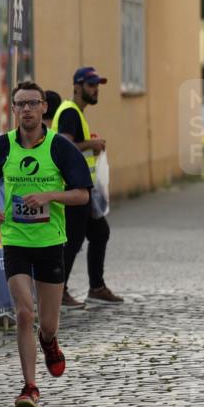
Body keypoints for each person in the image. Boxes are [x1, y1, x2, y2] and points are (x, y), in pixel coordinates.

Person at [0, 80, 92, 407]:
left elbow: (82, 194)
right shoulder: (1, 146)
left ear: (44, 107)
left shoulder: (60, 148)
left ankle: (49, 341)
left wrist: (49, 196)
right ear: (12, 109)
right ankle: (29, 387)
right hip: (15, 239)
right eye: (19, 104)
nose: (26, 109)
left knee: (48, 322)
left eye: (32, 103)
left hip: (50, 241)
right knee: (24, 313)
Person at [52, 66, 123, 308]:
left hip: (84, 188)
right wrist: (91, 143)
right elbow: (65, 144)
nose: (96, 90)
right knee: (72, 241)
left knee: (99, 233)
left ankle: (96, 287)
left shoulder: (75, 112)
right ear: (77, 86)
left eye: (97, 85)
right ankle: (58, 291)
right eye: (91, 85)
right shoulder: (70, 112)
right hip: (72, 188)